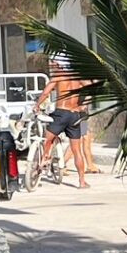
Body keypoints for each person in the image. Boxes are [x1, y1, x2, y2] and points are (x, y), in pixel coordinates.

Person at [34, 58, 91, 189]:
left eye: (54, 63)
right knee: (77, 151)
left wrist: (37, 105)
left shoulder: (58, 77)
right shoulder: (78, 78)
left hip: (61, 113)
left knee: (47, 139)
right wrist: (84, 104)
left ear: (60, 65)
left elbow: (46, 93)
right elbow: (91, 88)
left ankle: (44, 159)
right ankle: (82, 181)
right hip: (74, 115)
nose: (52, 66)